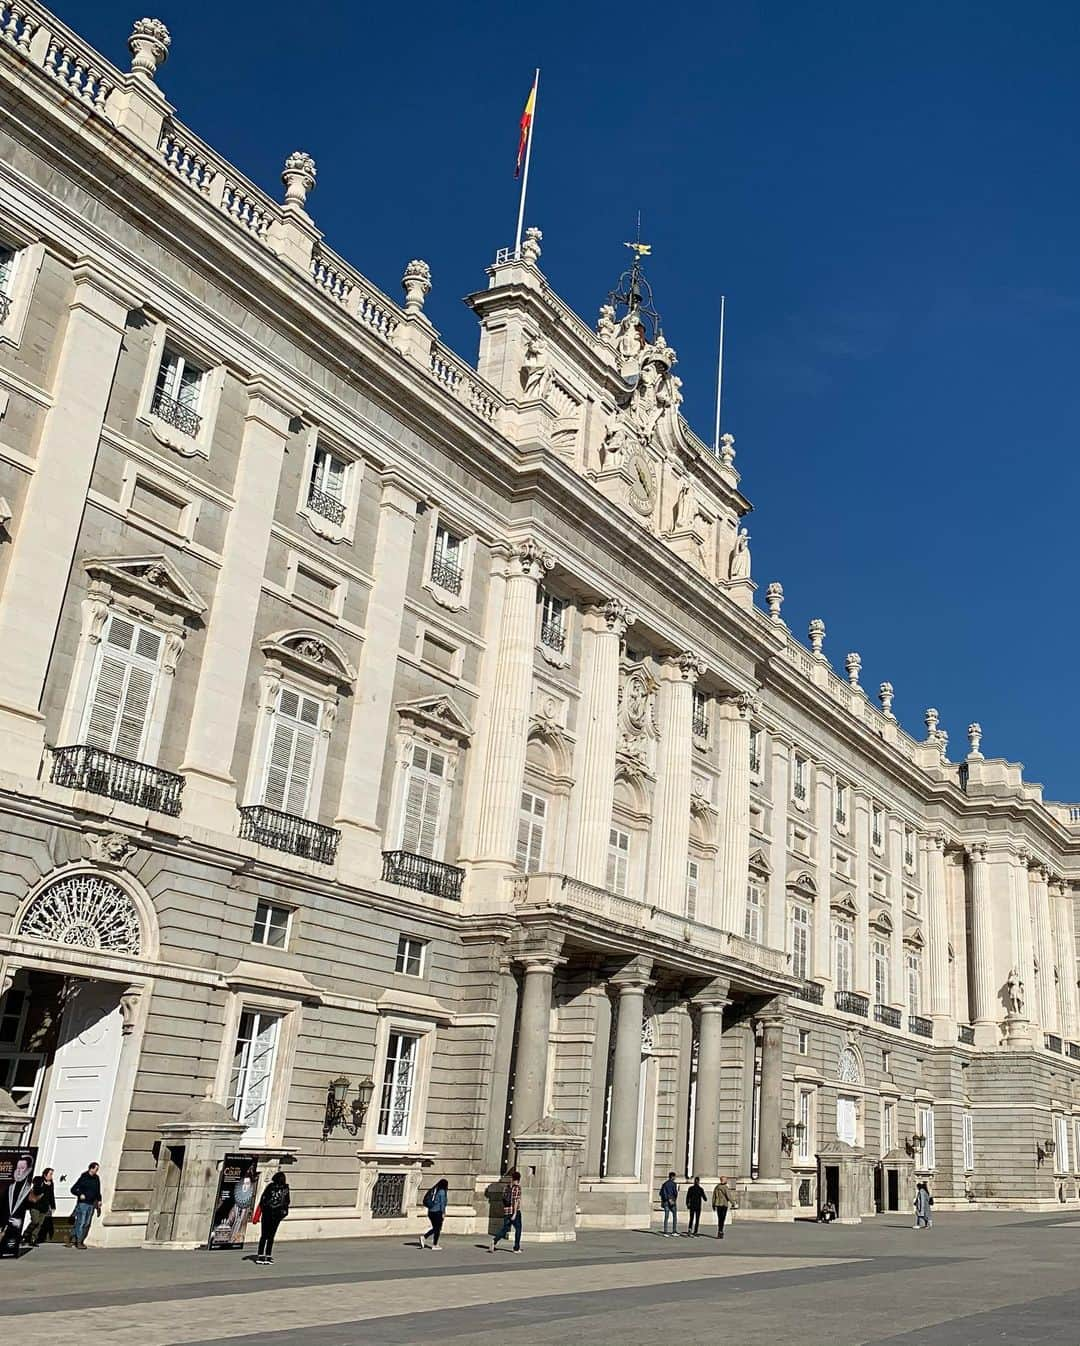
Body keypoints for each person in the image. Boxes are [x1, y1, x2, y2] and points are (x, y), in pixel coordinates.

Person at [254, 1171, 290, 1265]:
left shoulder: (270, 1186)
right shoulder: (285, 1189)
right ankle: (268, 1255)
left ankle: (260, 1255)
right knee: (271, 1236)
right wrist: (282, 1213)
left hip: (267, 1214)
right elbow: (287, 1202)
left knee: (264, 1235)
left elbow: (263, 1199)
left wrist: (265, 1209)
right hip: (277, 1215)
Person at [68, 1163, 102, 1249]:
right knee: (81, 1222)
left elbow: (98, 1190)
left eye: (97, 1169)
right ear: (91, 1169)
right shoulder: (84, 1177)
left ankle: (71, 1236)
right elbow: (73, 1189)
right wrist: (80, 1194)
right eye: (96, 1169)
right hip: (83, 1203)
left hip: (91, 1204)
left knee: (86, 1223)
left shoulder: (96, 1178)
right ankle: (79, 1242)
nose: (96, 1171)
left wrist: (99, 1200)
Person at [490, 1169, 523, 1253]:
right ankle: (516, 1248)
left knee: (505, 1229)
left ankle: (494, 1241)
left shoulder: (506, 1187)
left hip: (506, 1211)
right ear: (518, 1179)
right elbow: (515, 1201)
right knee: (518, 1229)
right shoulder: (517, 1188)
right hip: (514, 1211)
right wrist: (515, 1213)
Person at [25, 1167, 55, 1247]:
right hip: (35, 1205)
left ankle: (33, 1239)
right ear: (45, 1174)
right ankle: (26, 1234)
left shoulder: (51, 1183)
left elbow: (51, 1195)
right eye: (50, 1174)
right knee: (35, 1221)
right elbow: (37, 1190)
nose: (51, 1176)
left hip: (44, 1206)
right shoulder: (38, 1180)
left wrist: (53, 1206)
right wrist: (45, 1186)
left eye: (52, 1174)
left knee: (40, 1224)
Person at [420, 1178, 449, 1250]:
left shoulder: (435, 1190)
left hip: (431, 1212)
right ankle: (428, 1240)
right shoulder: (442, 1192)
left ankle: (434, 1243)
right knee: (437, 1228)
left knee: (436, 1228)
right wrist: (443, 1213)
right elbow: (442, 1204)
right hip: (437, 1212)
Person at [659, 1172, 679, 1237]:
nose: (675, 1178)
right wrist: (672, 1199)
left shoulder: (664, 1184)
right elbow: (675, 1193)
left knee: (666, 1217)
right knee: (674, 1216)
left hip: (666, 1202)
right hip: (672, 1202)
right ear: (672, 1177)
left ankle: (665, 1231)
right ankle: (674, 1231)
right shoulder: (674, 1184)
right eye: (674, 1177)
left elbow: (661, 1193)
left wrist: (666, 1199)